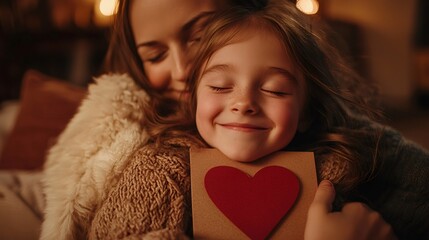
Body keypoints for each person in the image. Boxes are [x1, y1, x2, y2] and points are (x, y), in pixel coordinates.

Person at [40, 0, 423, 239]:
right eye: (155, 55)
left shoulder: (350, 145)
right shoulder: (146, 157)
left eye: (201, 35)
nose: (182, 68)